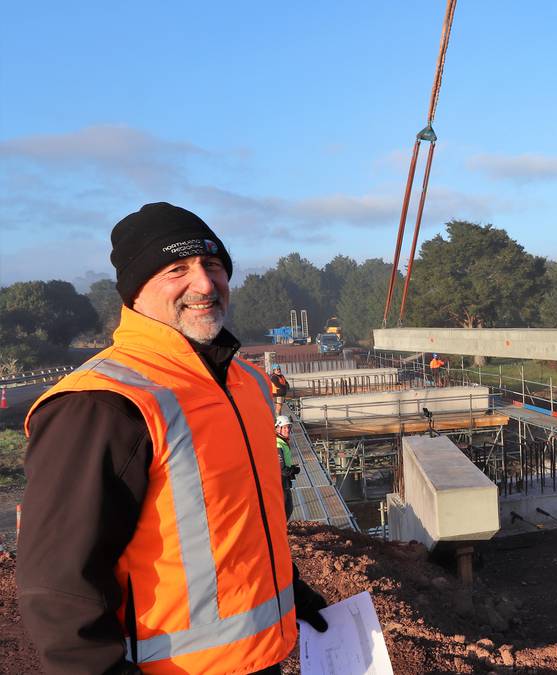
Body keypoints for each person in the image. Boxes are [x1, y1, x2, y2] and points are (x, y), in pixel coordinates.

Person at [18, 202, 330, 675]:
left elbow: (239, 522)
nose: (204, 283)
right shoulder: (101, 405)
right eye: (175, 269)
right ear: (135, 291)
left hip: (263, 656)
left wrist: (292, 592)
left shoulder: (244, 384)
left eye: (212, 265)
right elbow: (59, 585)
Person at [276, 415, 301, 518]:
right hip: (280, 481)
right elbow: (281, 469)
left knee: (287, 508)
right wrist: (293, 470)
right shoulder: (277, 443)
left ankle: (282, 531)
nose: (287, 430)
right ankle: (280, 532)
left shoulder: (282, 442)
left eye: (288, 427)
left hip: (284, 480)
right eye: (285, 427)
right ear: (278, 428)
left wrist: (291, 468)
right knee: (286, 509)